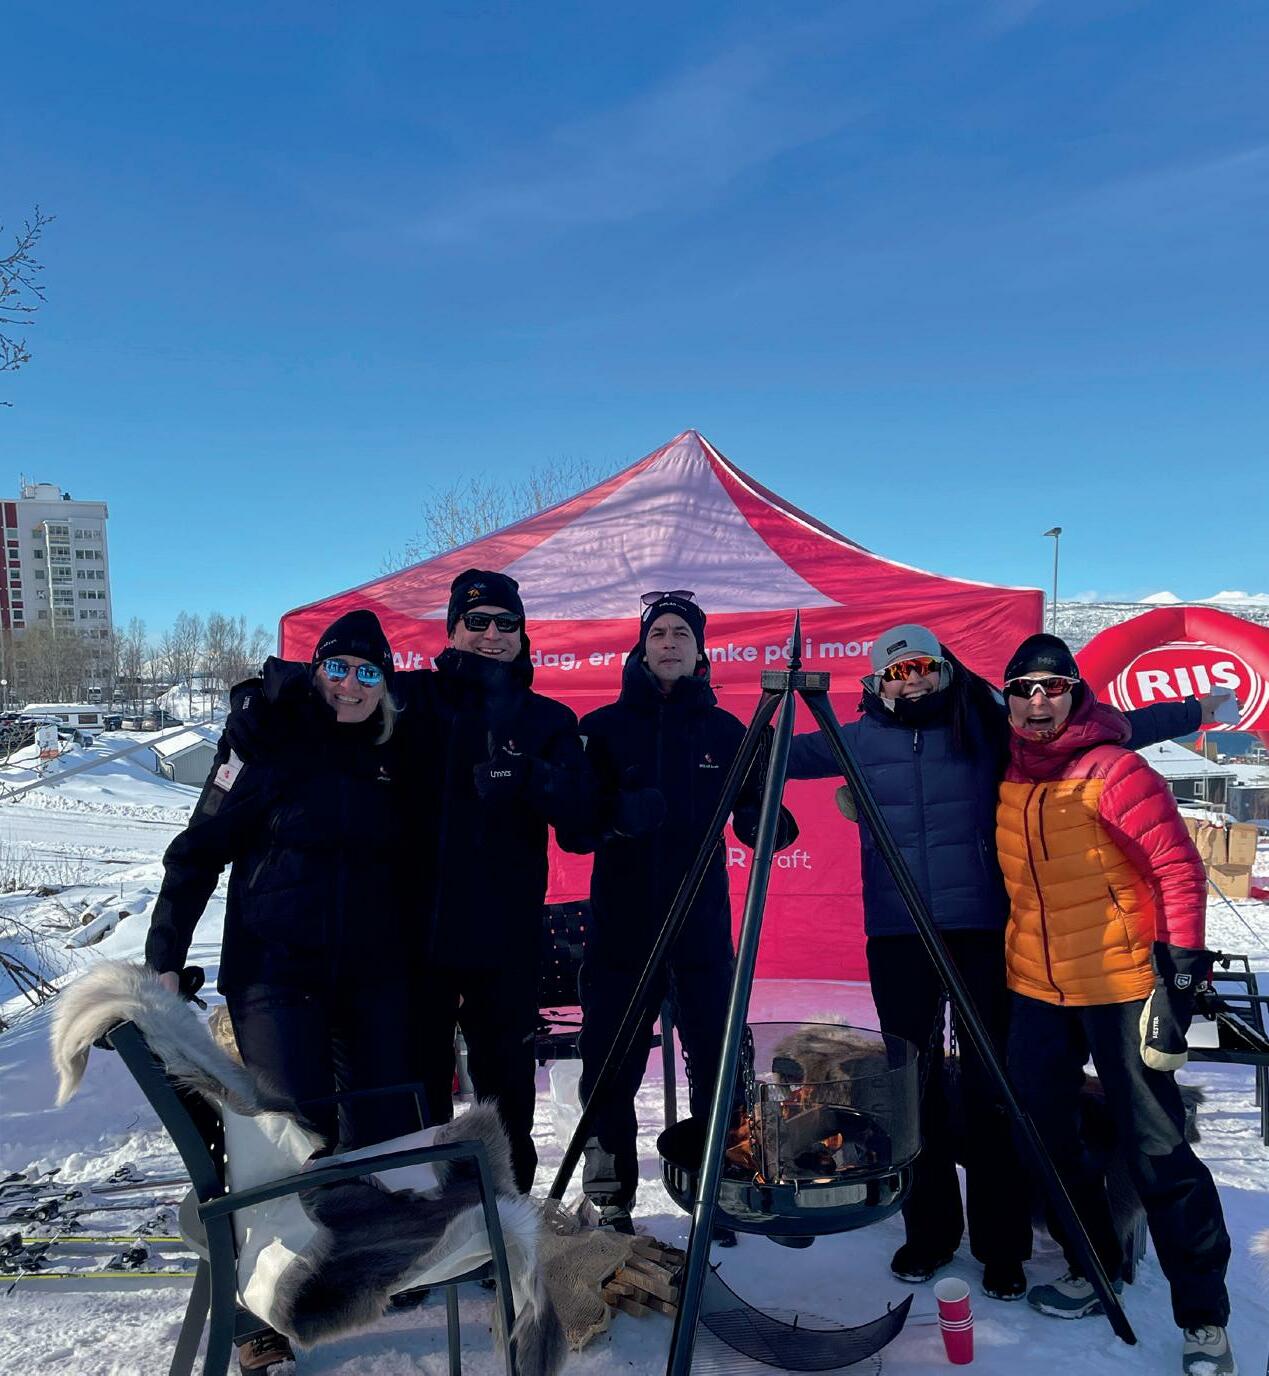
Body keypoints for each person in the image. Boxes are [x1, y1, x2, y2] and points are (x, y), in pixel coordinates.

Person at [786, 624, 1222, 1302]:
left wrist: (1194, 711)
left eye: (923, 666)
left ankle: (1002, 1244)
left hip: (983, 930)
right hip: (899, 934)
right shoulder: (855, 738)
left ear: (943, 669)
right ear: (878, 683)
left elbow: (1109, 728)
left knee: (992, 1086)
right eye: (898, 672)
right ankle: (930, 1234)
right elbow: (770, 755)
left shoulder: (985, 722)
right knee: (912, 1087)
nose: (913, 679)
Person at [224, 570, 591, 1194]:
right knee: (416, 1099)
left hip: (504, 943)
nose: (493, 634)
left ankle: (505, 1215)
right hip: (412, 943)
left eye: (507, 623)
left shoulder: (548, 720)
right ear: (452, 629)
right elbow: (331, 690)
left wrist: (534, 777)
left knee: (505, 1098)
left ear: (523, 634)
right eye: (478, 621)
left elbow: (582, 825)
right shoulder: (413, 697)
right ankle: (428, 1217)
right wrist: (255, 699)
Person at [145, 609, 418, 1374]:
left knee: (384, 1130)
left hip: (371, 975)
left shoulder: (392, 752)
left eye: (368, 671)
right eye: (338, 667)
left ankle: (348, 1270)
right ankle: (252, 1315)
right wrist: (165, 953)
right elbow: (197, 852)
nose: (351, 684)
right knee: (284, 1137)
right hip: (275, 970)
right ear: (315, 670)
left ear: (384, 684)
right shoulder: (263, 741)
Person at [997, 632, 1235, 1376]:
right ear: (1008, 702)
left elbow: (1178, 869)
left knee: (1156, 1147)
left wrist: (1180, 978)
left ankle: (1203, 1320)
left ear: (1076, 694)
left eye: (1052, 687)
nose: (1038, 702)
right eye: (1023, 690)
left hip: (1120, 984)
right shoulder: (1008, 772)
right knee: (1046, 1137)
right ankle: (1092, 1265)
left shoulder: (1114, 769)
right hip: (1037, 988)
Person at [557, 591, 798, 1234]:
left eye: (681, 635)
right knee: (609, 1064)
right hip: (622, 928)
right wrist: (615, 816)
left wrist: (765, 821)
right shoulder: (604, 727)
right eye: (659, 633)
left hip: (701, 927)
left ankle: (720, 1183)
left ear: (699, 651)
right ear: (642, 647)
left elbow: (755, 807)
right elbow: (574, 831)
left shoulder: (726, 731)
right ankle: (610, 1198)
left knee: (720, 1060)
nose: (669, 643)